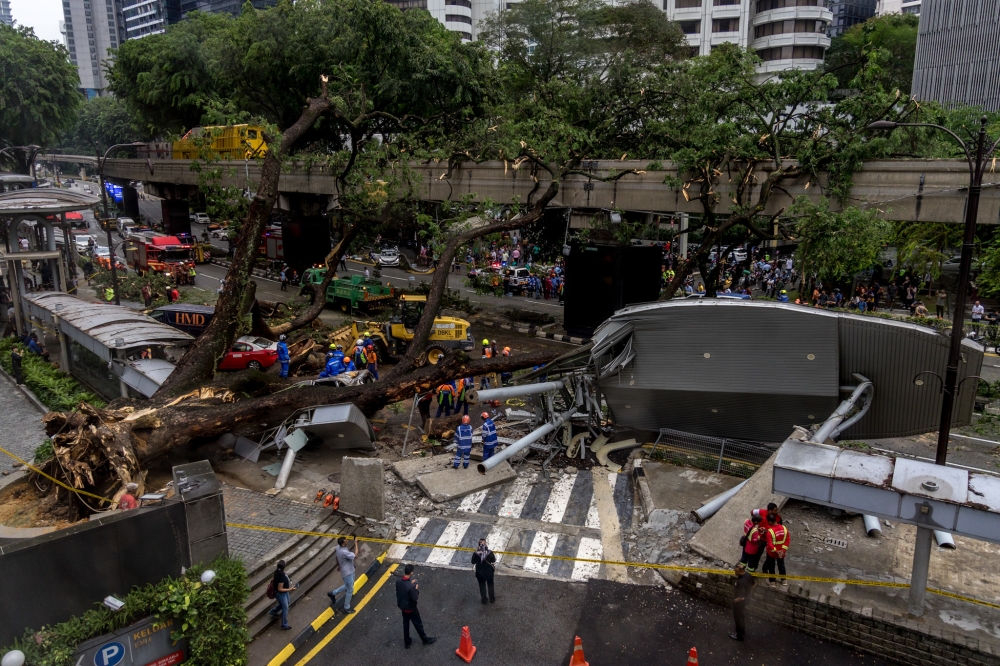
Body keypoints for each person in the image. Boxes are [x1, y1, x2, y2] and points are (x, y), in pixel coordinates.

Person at [395, 564, 436, 649]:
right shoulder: (410, 587)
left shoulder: (398, 581)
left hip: (403, 607)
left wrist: (410, 584)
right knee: (418, 624)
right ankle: (425, 639)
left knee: (405, 624)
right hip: (411, 609)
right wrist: (416, 589)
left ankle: (407, 642)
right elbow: (415, 597)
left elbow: (404, 588)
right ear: (411, 572)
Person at [327, 537, 358, 614]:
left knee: (349, 585)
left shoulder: (338, 548)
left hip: (349, 570)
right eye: (345, 540)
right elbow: (356, 555)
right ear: (343, 543)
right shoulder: (344, 552)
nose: (347, 540)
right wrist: (356, 543)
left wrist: (339, 565)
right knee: (349, 590)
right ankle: (347, 608)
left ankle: (333, 593)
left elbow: (337, 557)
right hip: (348, 573)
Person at [269, 560, 297, 630]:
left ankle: (273, 611)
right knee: (285, 608)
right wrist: (290, 589)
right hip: (281, 594)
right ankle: (284, 625)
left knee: (286, 603)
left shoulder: (277, 571)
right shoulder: (281, 577)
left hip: (284, 593)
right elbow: (280, 589)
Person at [730, 562, 755, 641]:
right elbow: (754, 584)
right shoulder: (748, 575)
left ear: (741, 571)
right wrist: (749, 593)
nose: (735, 572)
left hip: (740, 603)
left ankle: (739, 636)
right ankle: (742, 631)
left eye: (736, 571)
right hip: (747, 599)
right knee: (741, 616)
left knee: (738, 618)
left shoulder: (741, 582)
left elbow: (741, 597)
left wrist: (734, 601)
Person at [762, 520, 790, 587]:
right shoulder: (784, 528)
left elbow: (770, 545)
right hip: (781, 553)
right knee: (781, 565)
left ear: (771, 522)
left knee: (771, 566)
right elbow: (787, 540)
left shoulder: (770, 531)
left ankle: (772, 581)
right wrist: (782, 550)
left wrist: (776, 551)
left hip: (772, 553)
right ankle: (784, 580)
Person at [471, 538, 497, 605]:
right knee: (490, 585)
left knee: (482, 586)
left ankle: (484, 600)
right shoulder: (489, 553)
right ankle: (492, 599)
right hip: (489, 573)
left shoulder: (476, 553)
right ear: (485, 544)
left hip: (480, 573)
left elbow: (472, 562)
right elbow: (493, 560)